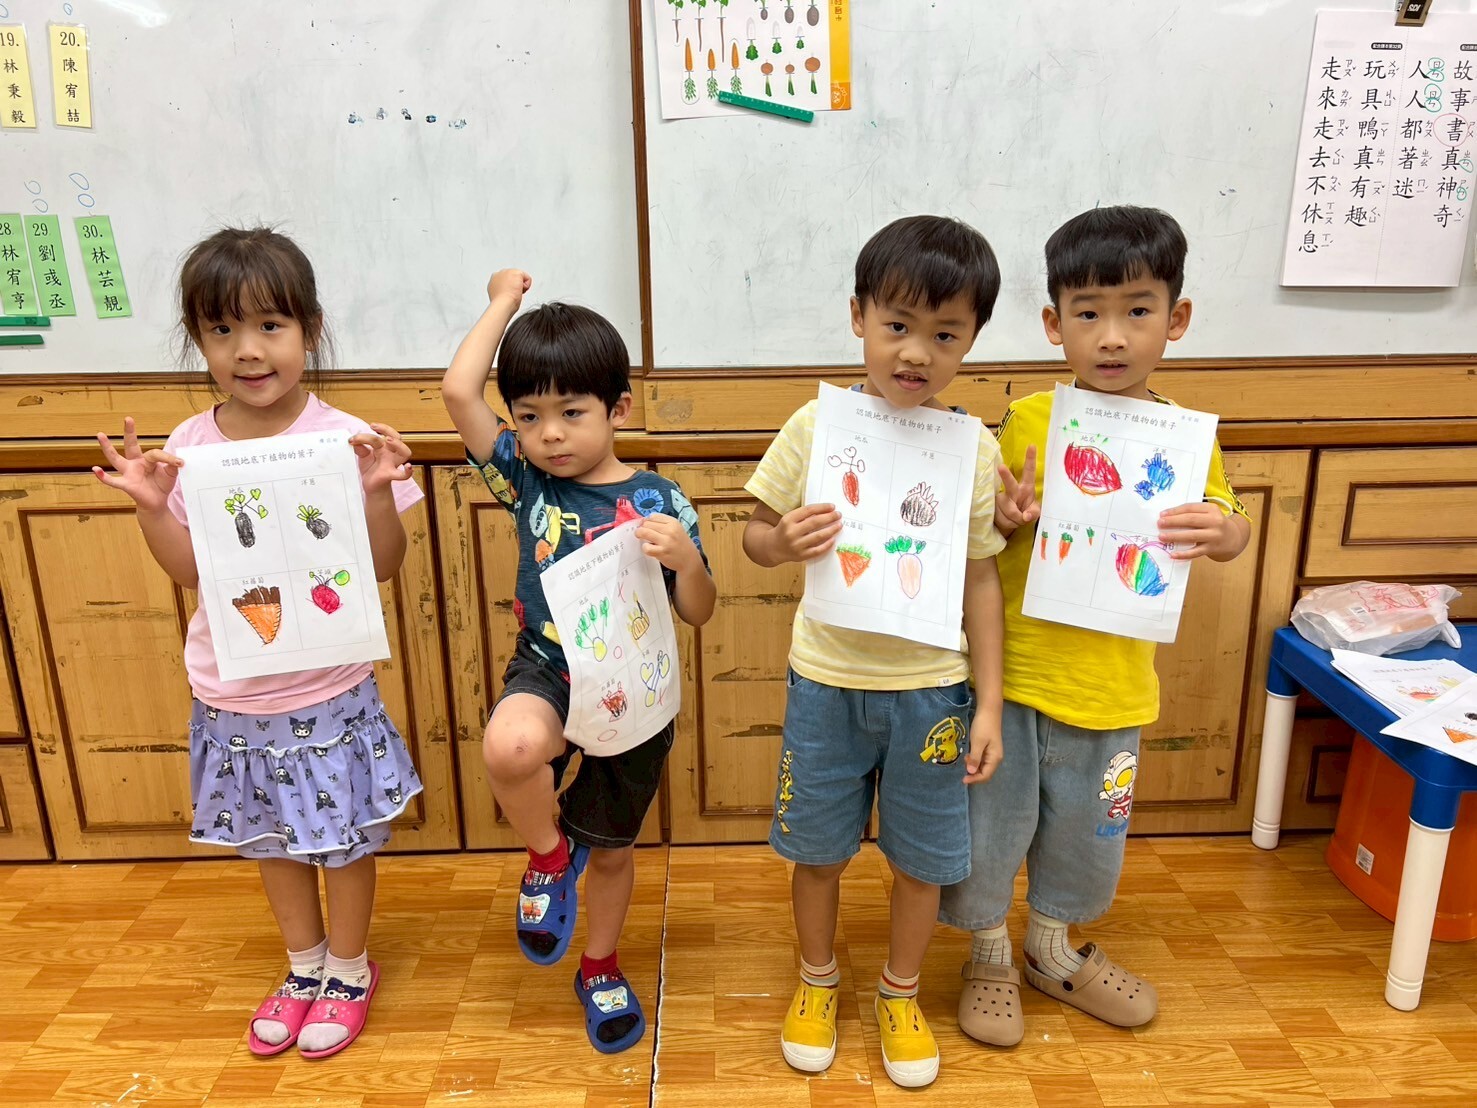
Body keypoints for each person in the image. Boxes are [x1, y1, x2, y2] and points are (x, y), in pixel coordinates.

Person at [92, 227, 424, 1059]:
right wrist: (148, 505)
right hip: (231, 690)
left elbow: (384, 565)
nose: (248, 349)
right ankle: (303, 966)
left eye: (270, 325)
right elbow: (189, 573)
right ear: (197, 339)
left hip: (326, 688)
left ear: (309, 330)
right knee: (273, 840)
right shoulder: (189, 449)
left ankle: (348, 969)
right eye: (222, 329)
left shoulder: (345, 438)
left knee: (341, 840)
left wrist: (376, 493)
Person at [940, 205, 1252, 1047]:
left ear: (1175, 319)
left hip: (1112, 687)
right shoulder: (1029, 420)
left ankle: (1052, 948)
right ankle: (988, 954)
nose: (1111, 336)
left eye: (1137, 310)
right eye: (1087, 313)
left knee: (1086, 833)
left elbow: (1227, 523)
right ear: (1054, 324)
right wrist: (1004, 517)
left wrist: (1224, 530)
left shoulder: (1184, 441)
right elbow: (986, 535)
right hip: (1012, 680)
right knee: (988, 828)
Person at [741, 215, 1007, 1088]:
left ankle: (900, 993)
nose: (916, 352)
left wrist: (990, 705)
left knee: (923, 861)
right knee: (817, 851)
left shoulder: (972, 449)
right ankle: (817, 979)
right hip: (826, 683)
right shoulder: (814, 426)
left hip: (931, 692)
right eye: (896, 325)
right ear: (857, 316)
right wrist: (781, 541)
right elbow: (753, 535)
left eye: (945, 334)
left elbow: (979, 581)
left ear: (971, 340)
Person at [441, 269, 715, 1054]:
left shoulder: (659, 499)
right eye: (529, 417)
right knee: (509, 748)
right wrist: (503, 302)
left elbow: (699, 610)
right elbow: (459, 392)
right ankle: (548, 857)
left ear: (617, 409)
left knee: (616, 849)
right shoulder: (524, 481)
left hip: (634, 689)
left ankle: (599, 964)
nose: (549, 434)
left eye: (570, 413)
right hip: (549, 670)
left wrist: (685, 561)